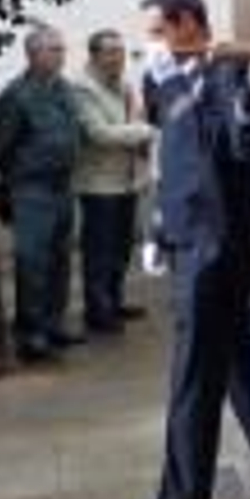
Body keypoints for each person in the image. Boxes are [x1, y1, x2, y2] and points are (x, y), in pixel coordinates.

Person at [124, 0, 250, 499]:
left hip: (220, 243)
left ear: (187, 25)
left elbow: (233, 143)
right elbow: (170, 156)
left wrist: (235, 67)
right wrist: (156, 226)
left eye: (156, 32)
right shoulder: (161, 78)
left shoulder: (230, 75)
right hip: (186, 235)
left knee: (193, 375)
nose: (148, 47)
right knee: (234, 357)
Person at [0, 26, 82, 363]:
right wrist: (22, 176)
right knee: (33, 263)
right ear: (33, 54)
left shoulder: (64, 89)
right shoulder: (16, 95)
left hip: (62, 186)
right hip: (32, 190)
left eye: (61, 49)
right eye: (53, 50)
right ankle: (30, 333)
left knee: (59, 260)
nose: (61, 55)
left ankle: (53, 324)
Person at [71, 29, 154, 335]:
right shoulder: (81, 89)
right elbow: (100, 134)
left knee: (120, 249)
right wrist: (145, 131)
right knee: (99, 251)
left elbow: (129, 121)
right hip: (98, 185)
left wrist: (135, 127)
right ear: (94, 56)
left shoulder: (122, 85)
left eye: (120, 52)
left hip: (125, 180)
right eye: (110, 52)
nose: (118, 59)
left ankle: (114, 302)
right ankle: (98, 312)